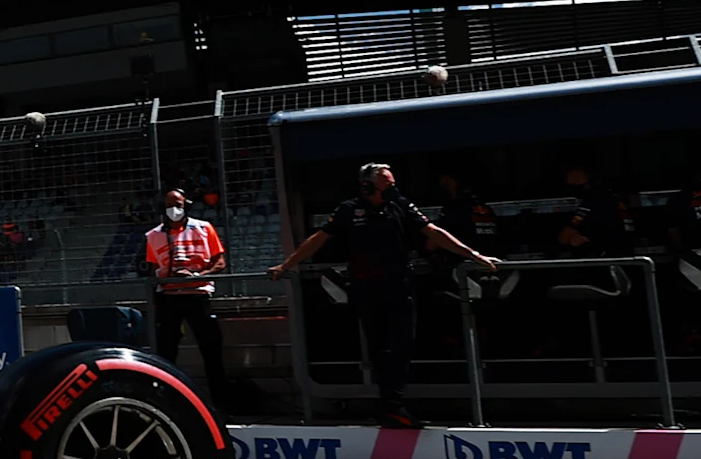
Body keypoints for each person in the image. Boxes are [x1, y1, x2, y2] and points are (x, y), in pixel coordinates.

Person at [271, 162, 498, 427]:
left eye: (392, 183)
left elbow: (434, 232)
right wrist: (286, 265)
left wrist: (474, 255)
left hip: (398, 287)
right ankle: (390, 407)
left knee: (401, 347)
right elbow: (319, 239)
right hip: (366, 289)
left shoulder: (400, 205)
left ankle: (394, 405)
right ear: (367, 185)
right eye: (387, 184)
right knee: (379, 351)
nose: (393, 188)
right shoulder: (348, 209)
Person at [137, 186, 229, 397]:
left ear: (185, 205)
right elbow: (152, 269)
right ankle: (166, 396)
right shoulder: (153, 235)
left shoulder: (204, 228)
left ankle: (221, 399)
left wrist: (198, 276)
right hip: (169, 298)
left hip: (198, 295)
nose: (174, 210)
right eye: (169, 206)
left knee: (211, 349)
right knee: (166, 351)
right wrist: (165, 278)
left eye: (177, 205)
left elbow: (220, 262)